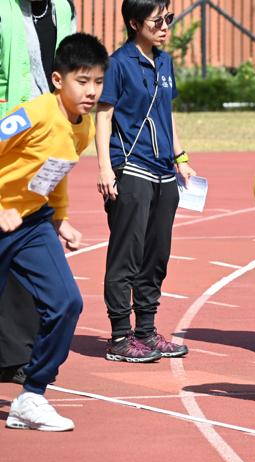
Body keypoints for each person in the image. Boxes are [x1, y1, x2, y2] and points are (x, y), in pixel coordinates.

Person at [1, 33, 108, 430]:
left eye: (98, 81)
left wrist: (60, 218)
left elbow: (56, 171)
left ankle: (31, 396)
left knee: (66, 303)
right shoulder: (34, 114)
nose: (91, 91)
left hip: (31, 224)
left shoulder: (83, 127)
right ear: (58, 80)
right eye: (83, 81)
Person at [96, 0, 195, 363]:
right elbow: (103, 117)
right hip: (132, 168)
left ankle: (147, 332)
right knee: (127, 254)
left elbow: (166, 113)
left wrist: (181, 158)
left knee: (157, 255)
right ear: (135, 23)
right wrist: (105, 168)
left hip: (164, 171)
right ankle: (120, 337)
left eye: (168, 18)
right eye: (157, 21)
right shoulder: (118, 64)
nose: (165, 26)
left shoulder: (165, 62)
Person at [0, 0, 77, 384]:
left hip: (41, 147)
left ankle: (29, 380)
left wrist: (60, 215)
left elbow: (59, 164)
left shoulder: (62, 7)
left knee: (61, 297)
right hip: (12, 129)